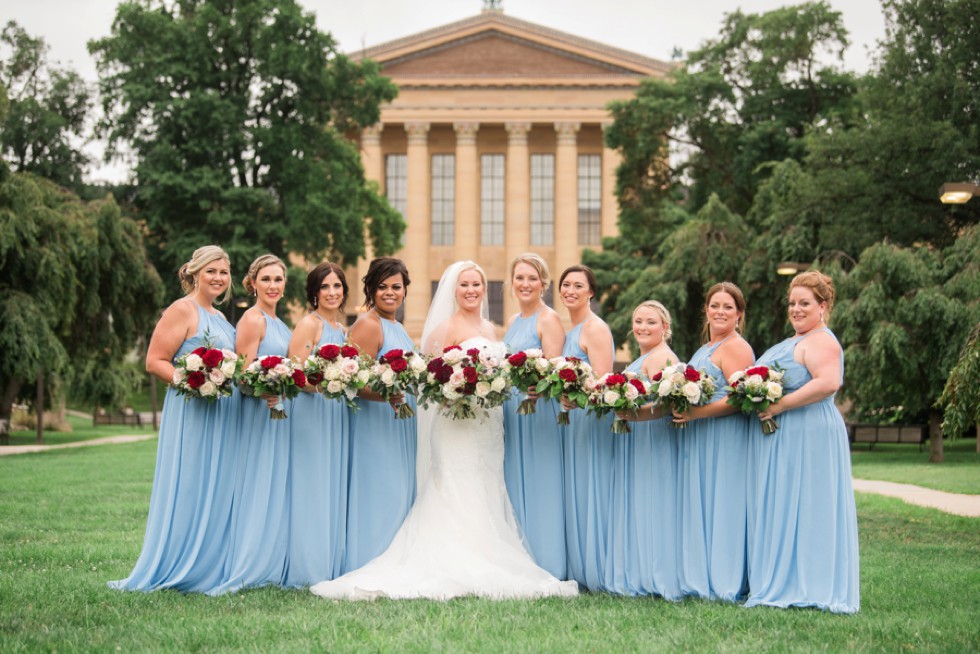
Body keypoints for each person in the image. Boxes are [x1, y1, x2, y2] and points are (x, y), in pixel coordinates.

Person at [310, 261, 578, 600]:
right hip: (455, 423)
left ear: (485, 289)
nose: (471, 290)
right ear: (454, 290)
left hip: (488, 424)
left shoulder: (492, 328)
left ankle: (487, 551)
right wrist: (454, 390)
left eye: (477, 284)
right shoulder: (444, 328)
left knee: (486, 486)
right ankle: (455, 559)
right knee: (455, 487)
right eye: (464, 284)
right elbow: (429, 377)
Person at [109, 245, 240, 593]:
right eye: (211, 271)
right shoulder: (182, 310)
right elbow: (155, 361)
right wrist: (196, 382)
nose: (218, 278)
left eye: (223, 272)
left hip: (222, 413)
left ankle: (211, 565)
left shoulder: (224, 319)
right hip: (192, 410)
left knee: (217, 485)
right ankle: (179, 563)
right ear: (195, 273)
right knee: (191, 482)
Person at [745, 271, 860, 613]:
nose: (796, 309)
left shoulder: (823, 340)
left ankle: (813, 583)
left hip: (811, 432)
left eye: (804, 303)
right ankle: (783, 578)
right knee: (785, 504)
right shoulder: (793, 341)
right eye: (792, 303)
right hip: (787, 434)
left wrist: (778, 404)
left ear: (822, 306)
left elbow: (828, 382)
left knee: (811, 505)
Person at [210, 254, 291, 594]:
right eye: (266, 279)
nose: (273, 286)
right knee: (257, 485)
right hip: (258, 415)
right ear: (253, 283)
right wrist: (264, 391)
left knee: (275, 487)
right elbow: (241, 376)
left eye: (278, 279)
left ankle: (271, 560)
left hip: (280, 414)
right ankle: (247, 564)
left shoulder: (282, 324)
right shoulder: (252, 319)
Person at [672, 282, 754, 601]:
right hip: (701, 434)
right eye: (714, 305)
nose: (720, 312)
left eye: (728, 307)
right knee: (704, 501)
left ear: (739, 315)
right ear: (706, 310)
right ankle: (701, 576)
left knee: (724, 503)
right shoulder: (704, 348)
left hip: (726, 435)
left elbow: (739, 397)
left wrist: (697, 413)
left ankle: (726, 581)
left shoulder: (736, 347)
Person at [342, 257, 417, 573]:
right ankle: (369, 560)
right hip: (376, 423)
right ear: (371, 289)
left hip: (399, 421)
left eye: (396, 287)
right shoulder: (368, 325)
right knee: (381, 488)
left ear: (404, 290)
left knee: (399, 489)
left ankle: (395, 559)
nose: (390, 293)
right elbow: (350, 381)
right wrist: (386, 394)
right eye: (382, 287)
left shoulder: (397, 326)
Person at [282, 262, 351, 587]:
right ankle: (307, 567)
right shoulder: (309, 325)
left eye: (337, 286)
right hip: (311, 412)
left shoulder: (342, 330)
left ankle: (330, 560)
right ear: (313, 293)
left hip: (335, 412)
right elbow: (296, 376)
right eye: (325, 287)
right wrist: (325, 382)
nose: (332, 292)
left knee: (331, 482)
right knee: (312, 484)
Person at [610, 301, 682, 599]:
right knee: (641, 501)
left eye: (651, 322)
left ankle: (657, 575)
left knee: (655, 502)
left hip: (653, 438)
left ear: (665, 328)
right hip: (639, 437)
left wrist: (635, 416)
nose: (642, 327)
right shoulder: (647, 356)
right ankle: (641, 570)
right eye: (638, 321)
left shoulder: (662, 357)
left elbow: (668, 404)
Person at [502, 253, 567, 580]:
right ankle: (521, 560)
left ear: (544, 283)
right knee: (515, 483)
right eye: (520, 278)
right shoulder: (514, 321)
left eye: (532, 278)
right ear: (512, 283)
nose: (525, 284)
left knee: (540, 483)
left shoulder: (548, 319)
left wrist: (536, 388)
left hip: (537, 412)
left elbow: (555, 374)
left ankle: (547, 564)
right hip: (512, 413)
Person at [557, 265, 615, 591]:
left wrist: (576, 400)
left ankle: (599, 568)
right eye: (566, 285)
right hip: (572, 420)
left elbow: (604, 382)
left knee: (592, 490)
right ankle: (580, 565)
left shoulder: (595, 329)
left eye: (578, 285)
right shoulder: (569, 333)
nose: (571, 291)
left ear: (591, 292)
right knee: (577, 490)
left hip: (590, 420)